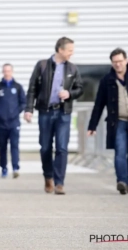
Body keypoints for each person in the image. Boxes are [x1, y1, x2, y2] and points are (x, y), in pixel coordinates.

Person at [24, 37, 83, 195]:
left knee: (62, 148)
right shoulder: (42, 65)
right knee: (45, 148)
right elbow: (32, 89)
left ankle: (59, 183)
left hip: (63, 113)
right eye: (70, 50)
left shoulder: (72, 68)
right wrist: (28, 109)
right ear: (60, 50)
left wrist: (69, 93)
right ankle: (48, 177)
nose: (72, 53)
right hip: (45, 112)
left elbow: (80, 88)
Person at [88, 48, 128, 195]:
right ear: (111, 63)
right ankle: (122, 181)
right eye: (115, 62)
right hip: (118, 122)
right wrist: (92, 125)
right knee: (120, 152)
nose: (118, 64)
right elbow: (99, 104)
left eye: (120, 61)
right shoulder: (107, 81)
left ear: (126, 61)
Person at [0, 63, 26, 178]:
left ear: (12, 72)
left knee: (14, 145)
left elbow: (23, 102)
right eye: (5, 71)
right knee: (2, 146)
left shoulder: (18, 87)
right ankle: (4, 168)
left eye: (8, 71)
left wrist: (16, 113)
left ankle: (15, 167)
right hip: (1, 123)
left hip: (14, 122)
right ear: (2, 72)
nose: (7, 73)